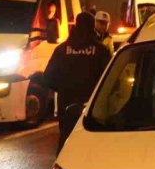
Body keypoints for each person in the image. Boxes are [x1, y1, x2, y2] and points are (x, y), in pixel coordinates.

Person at [39, 12, 111, 152]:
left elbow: (48, 77)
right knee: (90, 147)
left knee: (67, 145)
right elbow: (109, 80)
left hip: (66, 106)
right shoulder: (101, 51)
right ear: (92, 27)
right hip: (92, 107)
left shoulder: (61, 50)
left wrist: (64, 88)